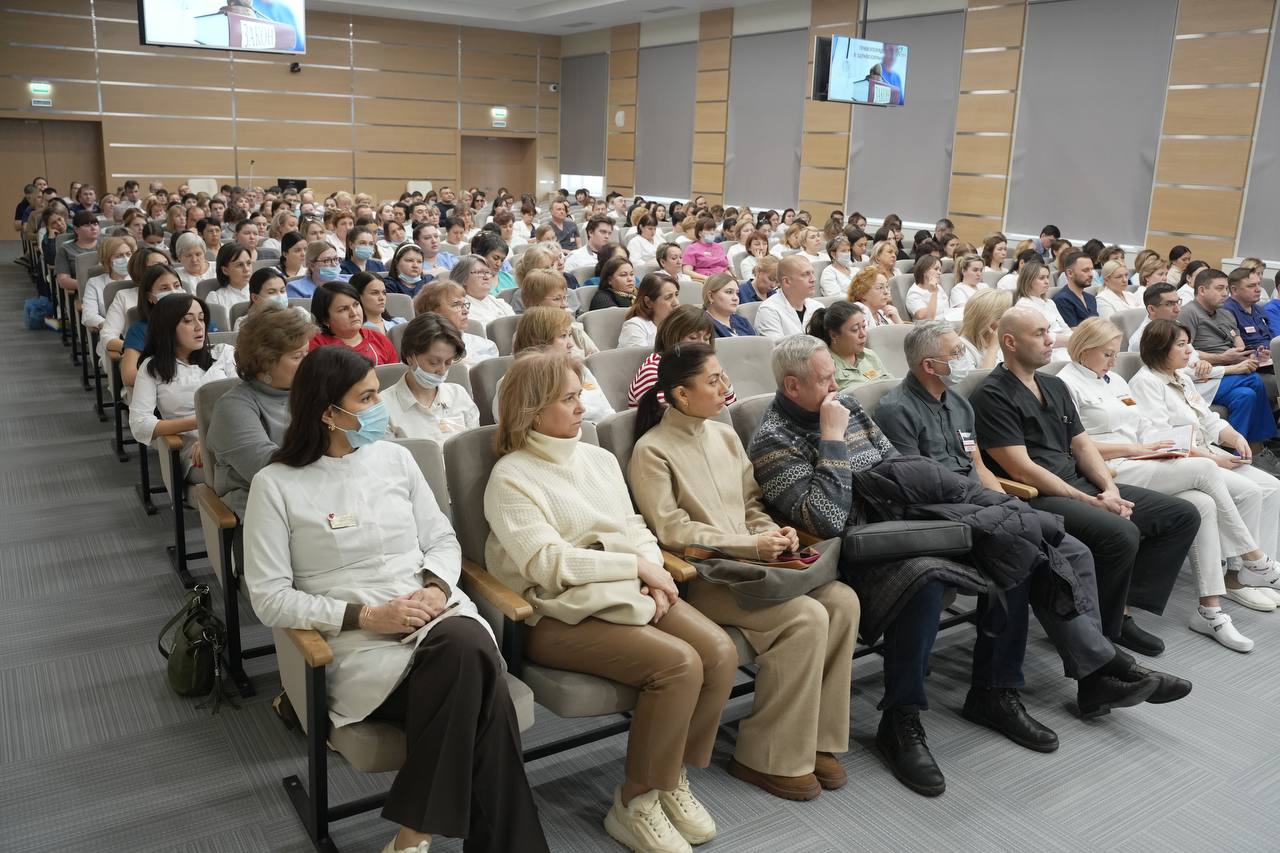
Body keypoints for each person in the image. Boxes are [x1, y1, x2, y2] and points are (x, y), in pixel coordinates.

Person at [242, 346, 547, 853]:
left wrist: (436, 587)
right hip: (360, 646)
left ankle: (412, 837)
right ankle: (419, 836)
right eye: (366, 399)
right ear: (328, 413)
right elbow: (270, 598)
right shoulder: (276, 485)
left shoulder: (397, 458)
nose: (379, 406)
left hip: (435, 616)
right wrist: (366, 615)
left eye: (376, 395)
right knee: (480, 684)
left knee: (464, 643)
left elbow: (442, 540)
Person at [484, 349, 734, 852]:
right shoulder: (510, 476)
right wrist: (635, 567)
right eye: (569, 398)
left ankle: (668, 776)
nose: (583, 406)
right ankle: (635, 802)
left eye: (580, 394)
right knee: (679, 665)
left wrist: (654, 574)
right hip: (555, 614)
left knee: (720, 653)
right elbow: (549, 564)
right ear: (533, 410)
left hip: (627, 590)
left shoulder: (597, 457)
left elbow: (635, 527)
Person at [628, 343, 858, 800]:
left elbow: (751, 504)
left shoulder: (725, 436)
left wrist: (774, 533)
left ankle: (814, 739)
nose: (725, 387)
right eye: (713, 381)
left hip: (755, 567)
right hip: (707, 578)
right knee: (807, 617)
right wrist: (749, 545)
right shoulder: (651, 450)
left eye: (724, 376)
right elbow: (671, 531)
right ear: (680, 394)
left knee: (843, 601)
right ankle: (767, 755)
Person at [970, 306, 1202, 658]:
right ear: (1010, 343)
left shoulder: (1053, 385)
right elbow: (1021, 470)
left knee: (1181, 515)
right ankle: (1104, 628)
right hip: (1037, 495)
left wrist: (1109, 488)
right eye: (1039, 334)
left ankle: (1116, 608)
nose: (1051, 340)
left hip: (1078, 483)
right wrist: (1090, 500)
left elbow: (1082, 445)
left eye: (1048, 331)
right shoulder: (992, 395)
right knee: (1121, 533)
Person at [1061, 318, 1280, 649]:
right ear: (1084, 349)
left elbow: (1143, 428)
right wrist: (1140, 449)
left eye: (1116, 352)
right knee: (1204, 469)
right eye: (1107, 353)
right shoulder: (1066, 384)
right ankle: (1254, 558)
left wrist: (1160, 449)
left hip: (1142, 458)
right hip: (1109, 469)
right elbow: (1075, 445)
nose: (1114, 360)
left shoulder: (1114, 380)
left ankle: (1210, 611)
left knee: (1203, 503)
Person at [206, 304, 313, 522]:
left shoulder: (312, 391)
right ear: (265, 362)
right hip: (262, 504)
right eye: (297, 357)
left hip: (312, 492)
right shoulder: (233, 407)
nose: (308, 364)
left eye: (307, 354)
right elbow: (268, 468)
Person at [129, 293, 237, 481]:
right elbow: (140, 425)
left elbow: (244, 401)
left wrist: (214, 435)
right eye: (188, 320)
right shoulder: (152, 368)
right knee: (241, 474)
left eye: (201, 318)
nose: (199, 326)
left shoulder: (224, 353)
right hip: (194, 451)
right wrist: (199, 424)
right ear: (168, 327)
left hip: (234, 435)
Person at [1179, 268, 1279, 453]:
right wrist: (1222, 358)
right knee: (1254, 380)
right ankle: (1258, 447)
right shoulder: (1188, 313)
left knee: (1246, 396)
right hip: (1204, 376)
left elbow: (1239, 344)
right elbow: (1185, 351)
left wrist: (1252, 355)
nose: (1225, 293)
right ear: (1202, 290)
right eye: (1219, 288)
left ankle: (1235, 453)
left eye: (1226, 288)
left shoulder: (1225, 313)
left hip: (1230, 372)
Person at [503, 308, 614, 423]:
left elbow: (608, 412)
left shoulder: (579, 369)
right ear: (539, 340)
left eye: (569, 335)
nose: (570, 344)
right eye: (563, 336)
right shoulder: (515, 383)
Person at [382, 313, 480, 442]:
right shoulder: (384, 407)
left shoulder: (459, 395)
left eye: (448, 362)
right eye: (433, 362)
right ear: (410, 357)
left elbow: (472, 446)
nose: (442, 370)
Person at [626, 306, 738, 408]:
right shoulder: (653, 372)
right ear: (672, 337)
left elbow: (731, 414)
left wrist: (726, 387)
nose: (702, 345)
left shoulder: (698, 367)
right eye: (693, 338)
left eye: (706, 338)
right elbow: (671, 417)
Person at [118, 263, 190, 386]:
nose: (174, 292)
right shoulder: (140, 329)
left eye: (177, 286)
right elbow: (128, 376)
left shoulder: (199, 320)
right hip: (160, 388)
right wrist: (174, 378)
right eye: (164, 288)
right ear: (150, 297)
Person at [309, 281, 397, 366]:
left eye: (356, 304)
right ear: (325, 319)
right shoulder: (316, 345)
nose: (354, 313)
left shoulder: (380, 340)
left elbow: (394, 373)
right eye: (343, 309)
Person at [807, 301, 889, 389]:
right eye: (855, 329)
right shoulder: (825, 366)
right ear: (834, 335)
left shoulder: (870, 356)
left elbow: (891, 385)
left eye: (864, 326)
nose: (863, 334)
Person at [412, 282, 499, 364]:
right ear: (433, 312)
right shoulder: (416, 350)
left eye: (465, 304)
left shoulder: (486, 347)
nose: (466, 311)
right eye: (457, 305)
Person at [1012, 262, 1072, 360]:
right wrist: (1071, 341)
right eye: (1041, 278)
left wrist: (1075, 340)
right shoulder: (1023, 305)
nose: (1047, 281)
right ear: (1028, 280)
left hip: (1066, 345)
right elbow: (1038, 337)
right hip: (1048, 351)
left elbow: (1065, 328)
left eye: (1047, 277)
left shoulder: (1050, 302)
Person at [81, 234, 136, 335]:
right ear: (107, 260)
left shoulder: (139, 279)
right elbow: (89, 315)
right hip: (112, 334)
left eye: (128, 254)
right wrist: (110, 327)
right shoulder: (95, 283)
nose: (126, 259)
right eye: (119, 256)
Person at [756, 256, 823, 338]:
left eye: (813, 273)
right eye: (805, 274)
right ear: (787, 281)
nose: (813, 279)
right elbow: (777, 345)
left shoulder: (817, 307)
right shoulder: (769, 310)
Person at [1223, 266, 1274, 363]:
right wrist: (1256, 355)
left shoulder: (1259, 309)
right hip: (1250, 362)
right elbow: (1232, 348)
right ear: (1234, 290)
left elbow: (1272, 338)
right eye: (1251, 286)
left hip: (1271, 359)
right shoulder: (1226, 311)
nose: (1258, 289)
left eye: (1259, 284)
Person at [620, 273, 680, 349]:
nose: (676, 303)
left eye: (676, 295)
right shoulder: (635, 326)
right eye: (668, 297)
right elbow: (639, 357)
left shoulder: (678, 324)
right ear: (648, 302)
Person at [957, 288, 1012, 369]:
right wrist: (992, 348)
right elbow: (986, 377)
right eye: (1005, 317)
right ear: (986, 321)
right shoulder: (961, 348)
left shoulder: (1002, 339)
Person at [453, 255, 513, 328]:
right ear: (464, 279)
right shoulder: (457, 309)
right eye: (479, 272)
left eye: (488, 272)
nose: (486, 277)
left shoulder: (500, 303)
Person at [1050, 250, 1099, 328]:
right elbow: (1073, 332)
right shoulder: (1062, 300)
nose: (1091, 274)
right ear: (1070, 273)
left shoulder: (1091, 298)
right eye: (1085, 270)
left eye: (1091, 269)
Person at [350, 271, 405, 336]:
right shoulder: (354, 330)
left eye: (384, 293)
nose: (382, 298)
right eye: (375, 293)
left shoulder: (401, 323)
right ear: (358, 296)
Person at [703, 272, 756, 338]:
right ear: (711, 296)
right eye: (729, 292)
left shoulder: (742, 321)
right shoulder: (702, 325)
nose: (735, 298)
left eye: (737, 293)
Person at [681, 218, 729, 283]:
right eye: (708, 230)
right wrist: (707, 278)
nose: (712, 232)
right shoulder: (691, 248)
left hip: (723, 279)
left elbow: (725, 268)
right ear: (700, 233)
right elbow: (687, 271)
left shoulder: (719, 247)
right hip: (705, 281)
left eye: (713, 229)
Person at [207, 244, 253, 312]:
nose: (246, 269)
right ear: (225, 270)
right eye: (240, 265)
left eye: (248, 263)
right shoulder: (216, 299)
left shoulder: (261, 291)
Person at [905, 255, 949, 322]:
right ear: (924, 270)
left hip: (947, 322)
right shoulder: (914, 293)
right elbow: (928, 318)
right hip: (930, 326)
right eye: (936, 269)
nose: (940, 273)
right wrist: (933, 292)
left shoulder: (939, 287)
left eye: (940, 270)